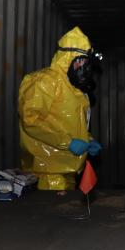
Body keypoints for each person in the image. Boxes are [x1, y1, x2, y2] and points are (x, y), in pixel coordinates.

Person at [18, 26, 103, 191]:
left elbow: (71, 124)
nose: (84, 67)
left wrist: (88, 140)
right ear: (69, 58)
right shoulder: (44, 81)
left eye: (86, 62)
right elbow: (30, 120)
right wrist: (68, 143)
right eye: (81, 60)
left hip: (68, 169)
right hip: (47, 172)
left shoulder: (76, 88)